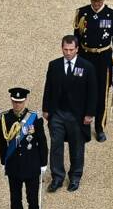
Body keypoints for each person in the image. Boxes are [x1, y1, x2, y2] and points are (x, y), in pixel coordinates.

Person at [41, 36, 99, 193]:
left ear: (77, 49)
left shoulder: (87, 67)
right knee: (56, 146)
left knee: (77, 147)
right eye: (65, 49)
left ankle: (75, 177)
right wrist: (46, 109)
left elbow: (93, 93)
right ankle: (57, 177)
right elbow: (48, 88)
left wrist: (89, 114)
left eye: (71, 49)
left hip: (77, 116)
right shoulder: (54, 65)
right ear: (61, 48)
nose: (68, 53)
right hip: (57, 114)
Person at [0, 87, 48, 209]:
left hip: (32, 166)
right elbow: (2, 141)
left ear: (25, 101)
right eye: (14, 101)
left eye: (20, 102)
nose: (17, 105)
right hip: (14, 166)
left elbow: (42, 142)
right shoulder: (4, 118)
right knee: (15, 201)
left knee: (33, 201)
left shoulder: (35, 118)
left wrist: (43, 164)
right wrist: (3, 162)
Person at [74, 0, 113, 142]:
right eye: (93, 0)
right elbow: (76, 38)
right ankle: (84, 127)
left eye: (99, 0)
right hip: (85, 56)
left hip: (103, 59)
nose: (96, 4)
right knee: (81, 92)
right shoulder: (82, 13)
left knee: (102, 93)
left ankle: (99, 127)